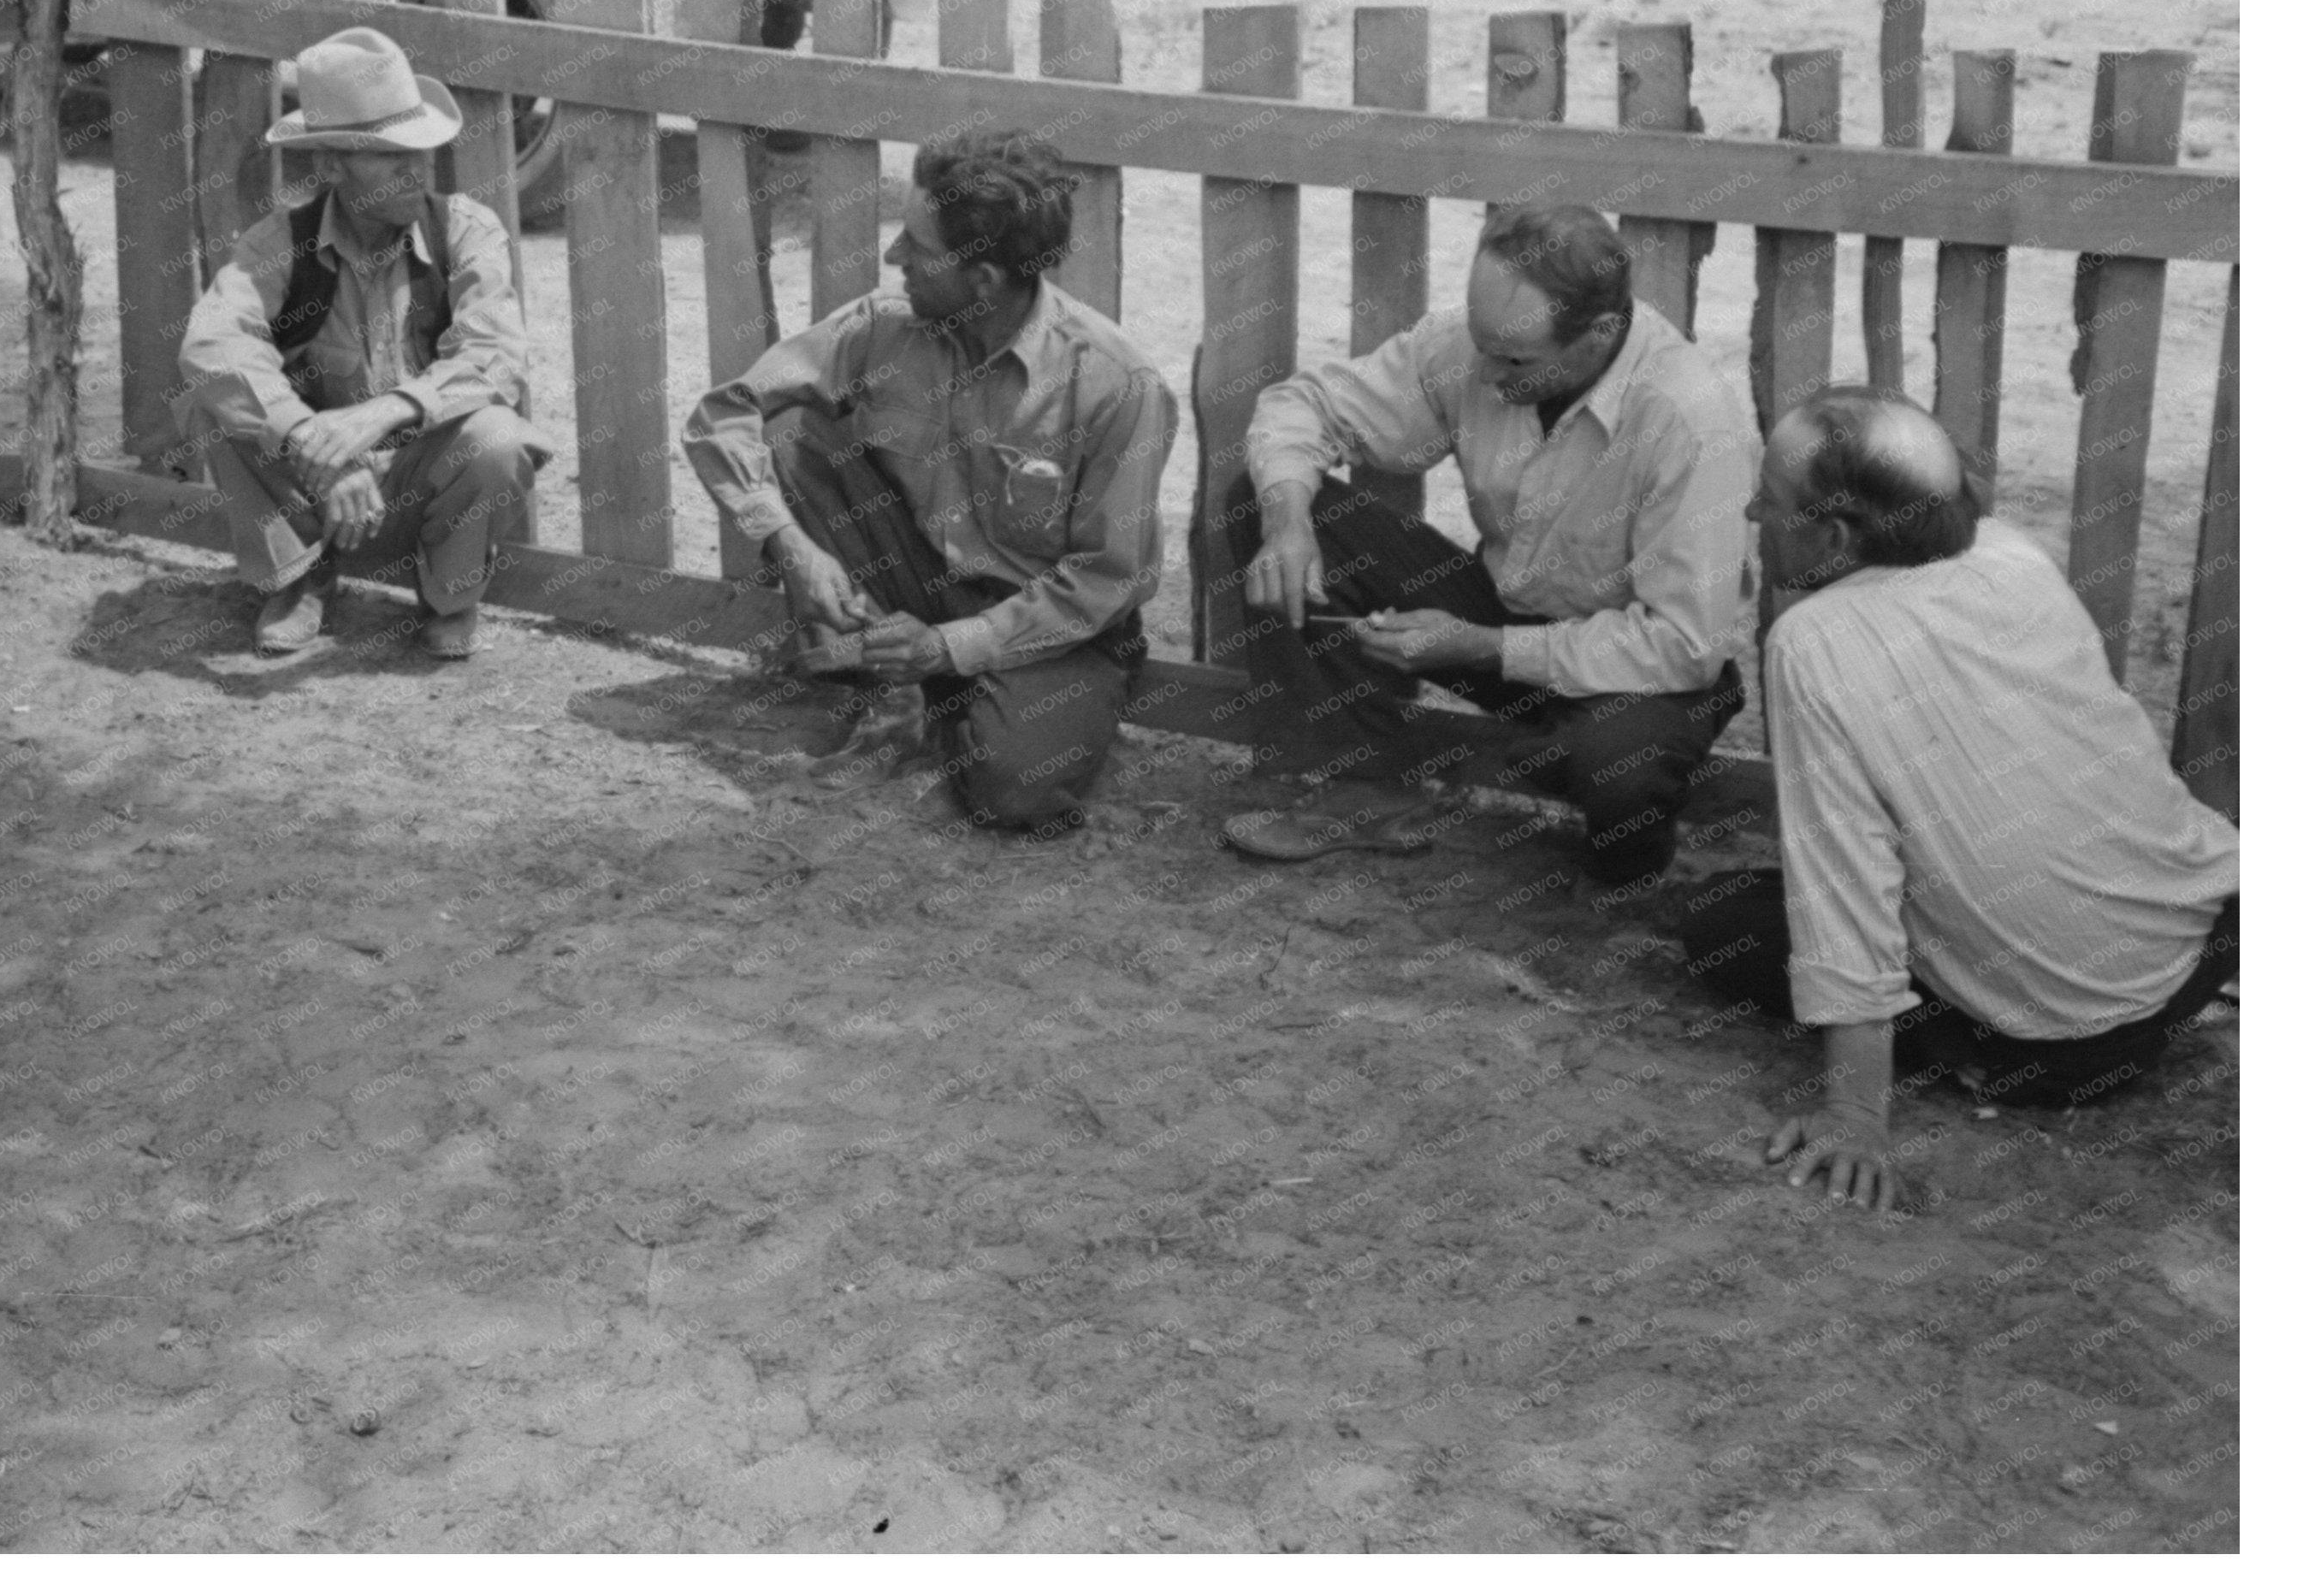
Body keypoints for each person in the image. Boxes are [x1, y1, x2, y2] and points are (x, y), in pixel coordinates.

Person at [1677, 388, 2240, 1209]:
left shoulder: (1809, 640)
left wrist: (1855, 1112)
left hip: (2065, 1045)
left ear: (1833, 536)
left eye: (1772, 502)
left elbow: (1845, 881)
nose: (1754, 509)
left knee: (1724, 921)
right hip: (2205, 933)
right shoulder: (2013, 553)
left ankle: (1974, 1049)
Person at [1229, 204, 1756, 881]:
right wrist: (1287, 522)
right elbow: (1303, 407)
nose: (1482, 372)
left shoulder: (1688, 418)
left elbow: (1684, 647)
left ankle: (1628, 874)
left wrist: (1481, 647)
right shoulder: (1480, 346)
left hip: (1641, 669)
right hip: (1504, 616)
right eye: (1481, 343)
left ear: (1599, 335)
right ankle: (1367, 790)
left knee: (1615, 769)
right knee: (1265, 494)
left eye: (1512, 359)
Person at [684, 129, 1177, 835]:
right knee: (790, 430)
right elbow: (724, 413)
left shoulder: (1115, 385)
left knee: (1015, 795)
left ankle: (942, 688)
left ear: (983, 280)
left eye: (918, 247)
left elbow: (1105, 580)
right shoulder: (883, 328)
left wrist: (949, 646)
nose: (894, 258)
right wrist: (791, 546)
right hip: (917, 576)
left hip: (1049, 621)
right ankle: (913, 684)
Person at [175, 27, 551, 659]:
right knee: (212, 403)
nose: (417, 168)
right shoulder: (279, 244)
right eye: (388, 154)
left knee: (498, 438)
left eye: (422, 149)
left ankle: (449, 598)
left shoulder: (463, 229)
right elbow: (212, 344)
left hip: (419, 474)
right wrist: (308, 438)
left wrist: (378, 416)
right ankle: (300, 580)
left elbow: (497, 357)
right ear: (329, 165)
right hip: (315, 483)